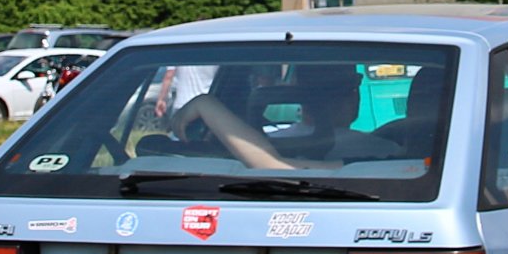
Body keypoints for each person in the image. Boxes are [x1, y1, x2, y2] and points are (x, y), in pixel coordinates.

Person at [171, 63, 401, 169]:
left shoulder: (245, 145)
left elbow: (273, 165)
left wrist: (206, 105)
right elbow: (273, 166)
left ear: (296, 89)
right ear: (354, 96)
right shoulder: (386, 154)